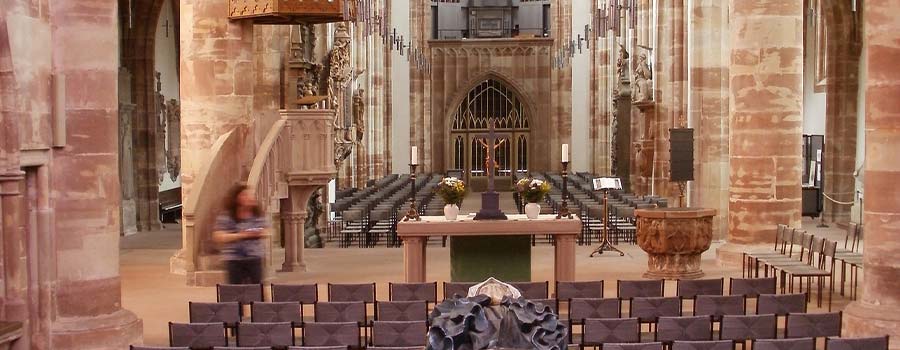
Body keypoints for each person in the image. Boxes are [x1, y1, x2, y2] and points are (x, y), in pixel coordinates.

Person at [213, 184, 268, 284]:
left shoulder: (257, 215)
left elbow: (266, 231)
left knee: (256, 291)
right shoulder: (227, 216)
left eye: (249, 195)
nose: (249, 198)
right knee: (235, 292)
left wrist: (258, 232)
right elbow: (218, 236)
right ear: (237, 199)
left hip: (254, 258)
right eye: (245, 195)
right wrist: (241, 235)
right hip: (234, 259)